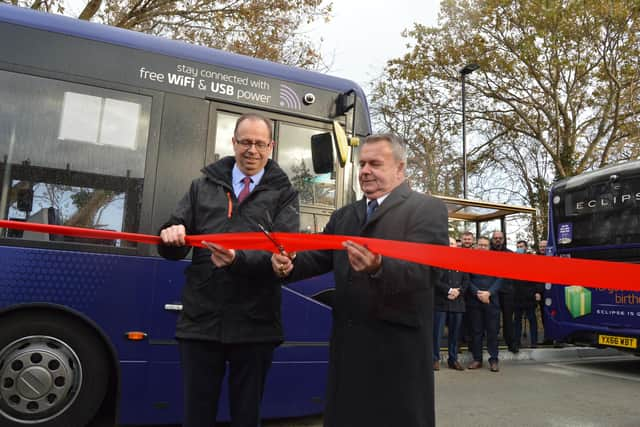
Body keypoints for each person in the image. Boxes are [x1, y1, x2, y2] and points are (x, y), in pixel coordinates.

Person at [272, 133, 448, 427]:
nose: (365, 171)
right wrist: (288, 265)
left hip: (397, 352)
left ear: (400, 169)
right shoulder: (345, 216)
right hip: (350, 347)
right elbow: (319, 257)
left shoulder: (426, 209)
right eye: (362, 163)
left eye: (375, 163)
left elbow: (428, 271)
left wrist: (379, 266)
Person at [158, 113, 299, 427]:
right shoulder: (201, 186)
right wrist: (170, 235)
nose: (252, 150)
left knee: (247, 417)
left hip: (255, 325)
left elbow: (283, 256)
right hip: (201, 322)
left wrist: (238, 260)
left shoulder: (285, 194)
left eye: (260, 144)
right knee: (196, 416)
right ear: (233, 142)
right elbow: (174, 240)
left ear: (271, 146)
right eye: (245, 142)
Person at [433, 237, 470, 371]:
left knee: (455, 335)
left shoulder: (462, 261)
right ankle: (434, 359)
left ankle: (453, 360)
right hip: (441, 302)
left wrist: (458, 292)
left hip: (457, 303)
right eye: (449, 243)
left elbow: (466, 281)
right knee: (437, 333)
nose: (451, 245)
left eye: (453, 243)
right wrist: (448, 290)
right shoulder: (437, 261)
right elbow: (435, 280)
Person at [467, 236, 503, 372]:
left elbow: (500, 279)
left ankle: (494, 360)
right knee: (476, 332)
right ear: (476, 246)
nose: (482, 247)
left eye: (485, 245)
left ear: (489, 247)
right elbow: (467, 280)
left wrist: (489, 293)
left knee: (492, 332)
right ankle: (477, 359)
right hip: (474, 302)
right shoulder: (470, 260)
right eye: (480, 245)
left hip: (491, 301)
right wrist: (477, 293)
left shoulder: (496, 260)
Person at [513, 240, 543, 350]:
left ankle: (534, 341)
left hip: (530, 296)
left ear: (526, 248)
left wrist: (538, 291)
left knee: (532, 319)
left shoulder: (532, 261)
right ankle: (516, 342)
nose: (519, 248)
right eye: (518, 246)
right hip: (517, 296)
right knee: (517, 321)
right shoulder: (513, 262)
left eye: (521, 246)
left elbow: (538, 278)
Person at [491, 230, 517, 353]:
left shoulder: (510, 254)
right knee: (493, 319)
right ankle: (492, 343)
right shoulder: (487, 253)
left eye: (500, 238)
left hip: (507, 291)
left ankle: (511, 343)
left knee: (508, 319)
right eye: (495, 238)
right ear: (492, 239)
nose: (497, 240)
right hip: (492, 291)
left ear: (503, 239)